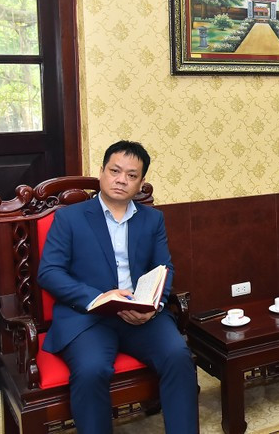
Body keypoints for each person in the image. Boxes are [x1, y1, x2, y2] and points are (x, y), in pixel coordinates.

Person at [37, 141, 198, 434]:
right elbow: (49, 273)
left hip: (140, 316)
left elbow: (165, 268)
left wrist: (154, 306)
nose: (121, 179)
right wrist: (99, 297)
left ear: (141, 183)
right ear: (101, 172)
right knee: (90, 370)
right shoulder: (70, 218)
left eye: (131, 175)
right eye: (114, 170)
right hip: (89, 318)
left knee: (178, 356)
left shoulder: (152, 219)